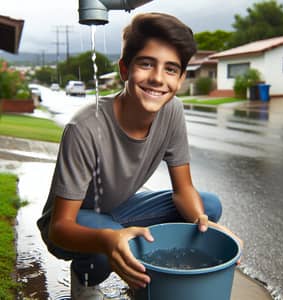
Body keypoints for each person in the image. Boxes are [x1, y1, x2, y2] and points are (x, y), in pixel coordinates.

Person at [37, 12, 241, 299]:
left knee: (208, 205)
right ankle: (86, 277)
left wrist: (202, 220)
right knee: (107, 242)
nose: (158, 78)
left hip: (120, 209)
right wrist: (109, 239)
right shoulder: (84, 127)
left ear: (181, 78)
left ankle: (146, 278)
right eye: (146, 64)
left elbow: (184, 190)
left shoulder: (172, 111)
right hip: (69, 224)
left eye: (171, 69)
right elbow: (60, 228)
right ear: (125, 69)